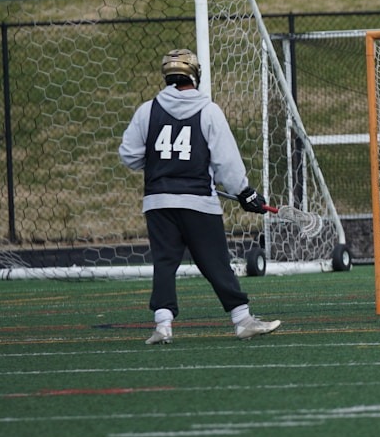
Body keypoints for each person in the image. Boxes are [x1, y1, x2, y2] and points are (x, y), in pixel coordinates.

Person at [118, 48, 282, 344]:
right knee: (215, 261)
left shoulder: (147, 110)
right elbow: (226, 162)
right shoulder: (208, 111)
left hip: (158, 202)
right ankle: (242, 319)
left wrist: (159, 164)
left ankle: (163, 325)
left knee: (164, 262)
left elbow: (129, 156)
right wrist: (244, 192)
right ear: (195, 75)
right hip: (198, 203)